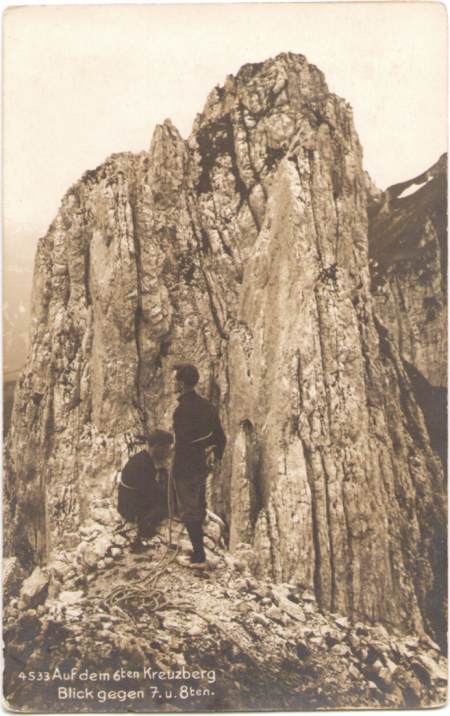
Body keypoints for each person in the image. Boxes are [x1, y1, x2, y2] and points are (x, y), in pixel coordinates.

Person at [171, 363, 226, 569]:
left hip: (186, 467)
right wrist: (212, 453)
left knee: (188, 511)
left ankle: (199, 557)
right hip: (202, 468)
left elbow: (184, 444)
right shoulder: (207, 406)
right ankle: (199, 552)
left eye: (175, 380)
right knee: (199, 507)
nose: (174, 384)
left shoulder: (182, 411)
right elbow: (221, 438)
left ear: (182, 384)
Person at [117, 429, 173, 551]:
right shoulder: (145, 464)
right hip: (128, 508)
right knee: (164, 507)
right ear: (157, 446)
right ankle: (144, 528)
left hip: (127, 498)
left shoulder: (142, 457)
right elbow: (152, 492)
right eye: (165, 448)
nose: (166, 452)